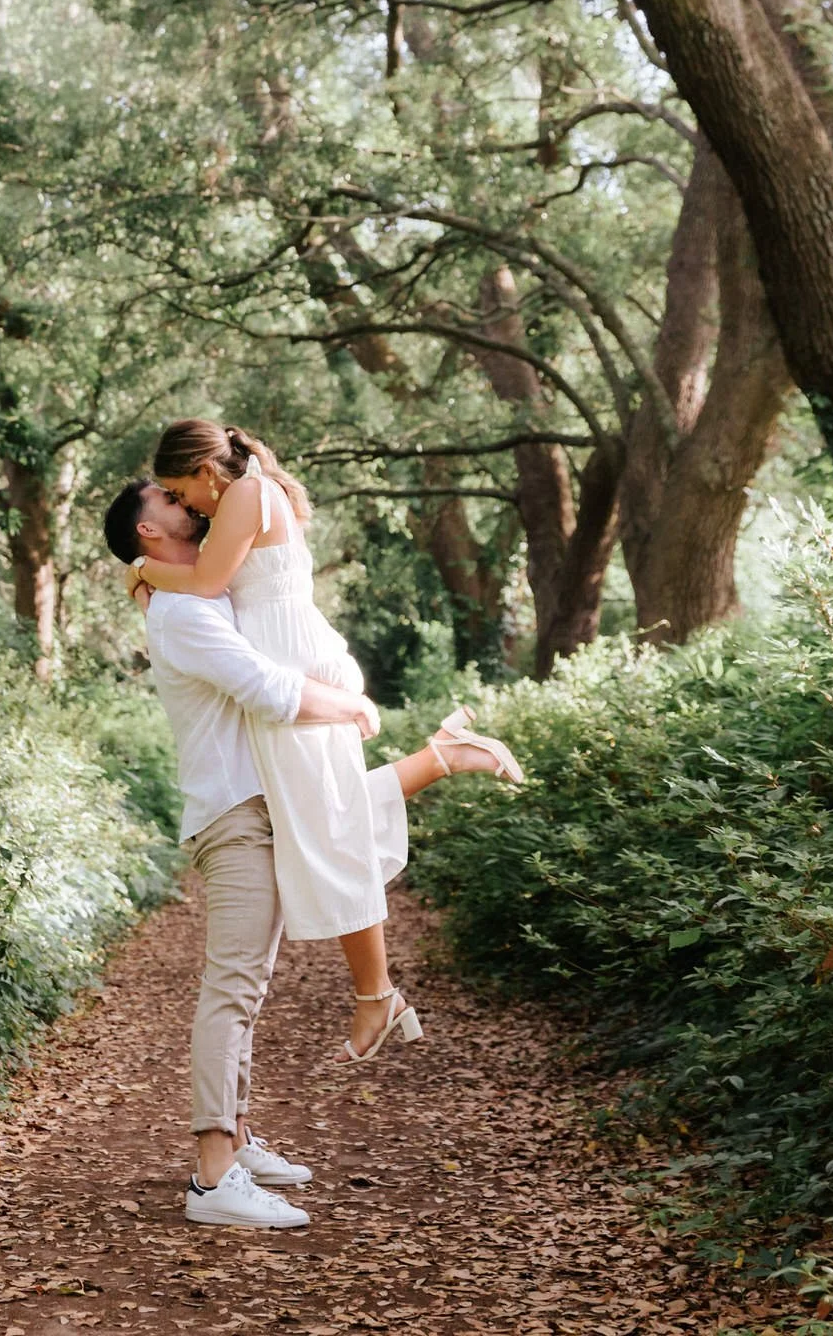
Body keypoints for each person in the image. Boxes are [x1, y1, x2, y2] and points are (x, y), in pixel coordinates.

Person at [103, 476, 504, 1231]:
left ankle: (237, 1140)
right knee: (232, 986)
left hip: (264, 801)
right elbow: (266, 687)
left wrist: (146, 572)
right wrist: (351, 705)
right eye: (168, 500)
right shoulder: (183, 613)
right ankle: (213, 1177)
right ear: (147, 530)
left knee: (249, 985)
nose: (185, 502)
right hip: (234, 814)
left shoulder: (196, 590)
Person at [124, 419, 523, 1068]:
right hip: (290, 669)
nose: (186, 504)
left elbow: (205, 584)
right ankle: (442, 758)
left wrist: (141, 568)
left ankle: (377, 996)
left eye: (180, 490)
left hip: (295, 676)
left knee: (330, 830)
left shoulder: (246, 494)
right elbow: (207, 593)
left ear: (204, 471)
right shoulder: (244, 494)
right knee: (327, 821)